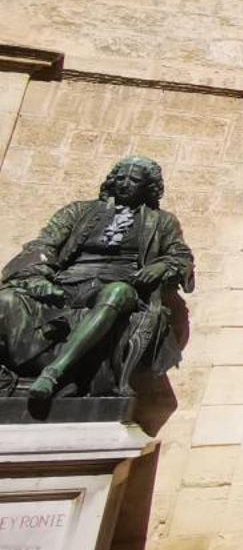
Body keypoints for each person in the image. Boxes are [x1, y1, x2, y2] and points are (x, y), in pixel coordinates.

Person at [0, 156, 194, 408]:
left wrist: (161, 265)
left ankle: (53, 373)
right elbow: (42, 245)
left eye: (134, 180)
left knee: (116, 294)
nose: (125, 184)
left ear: (148, 187)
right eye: (121, 178)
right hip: (67, 284)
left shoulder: (162, 221)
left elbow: (181, 256)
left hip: (119, 286)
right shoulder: (78, 211)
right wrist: (38, 277)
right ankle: (28, 372)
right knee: (5, 299)